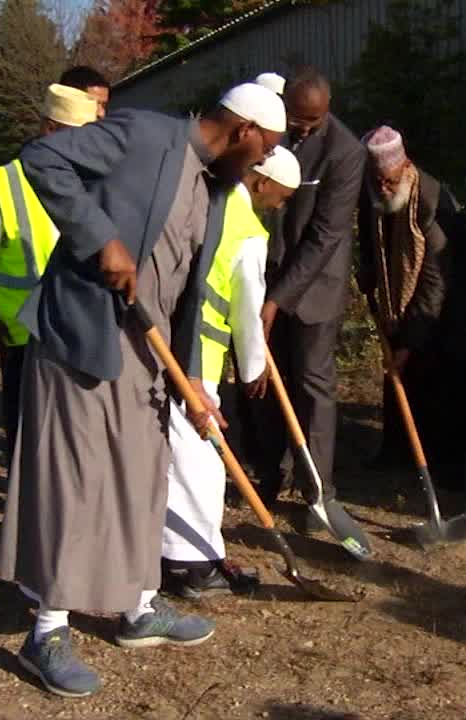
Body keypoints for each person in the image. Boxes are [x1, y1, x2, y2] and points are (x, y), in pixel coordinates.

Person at [0, 83, 285, 698]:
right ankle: (46, 631)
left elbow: (184, 290)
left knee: (141, 478)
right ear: (244, 131)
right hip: (84, 336)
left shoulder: (214, 187)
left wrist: (191, 384)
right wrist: (102, 239)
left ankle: (138, 606)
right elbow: (42, 160)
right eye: (265, 151)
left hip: (147, 355)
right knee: (75, 481)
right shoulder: (145, 133)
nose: (262, 165)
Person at [160, 147, 301, 597]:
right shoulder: (248, 233)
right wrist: (254, 366)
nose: (281, 205)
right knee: (200, 460)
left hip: (167, 336)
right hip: (199, 352)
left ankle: (175, 554)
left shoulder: (209, 198)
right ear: (262, 182)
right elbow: (245, 312)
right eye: (282, 195)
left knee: (175, 453)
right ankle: (193, 565)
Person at [238, 67, 366, 534]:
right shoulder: (273, 130)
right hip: (263, 272)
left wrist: (277, 301)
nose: (304, 130)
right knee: (265, 379)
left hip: (314, 287)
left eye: (313, 122)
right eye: (298, 121)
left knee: (312, 385)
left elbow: (325, 235)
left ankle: (318, 491)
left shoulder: (345, 152)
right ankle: (270, 472)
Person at [0, 84, 100, 462]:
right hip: (22, 334)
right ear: (51, 130)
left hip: (79, 331)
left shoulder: (95, 180)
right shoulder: (7, 183)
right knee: (27, 437)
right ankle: (27, 515)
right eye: (80, 136)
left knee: (74, 438)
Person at [357, 126, 466, 488]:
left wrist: (411, 342)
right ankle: (396, 450)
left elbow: (435, 281)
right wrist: (368, 272)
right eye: (377, 180)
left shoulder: (430, 200)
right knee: (396, 372)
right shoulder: (371, 192)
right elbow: (369, 239)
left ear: (405, 166)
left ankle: (444, 464)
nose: (383, 188)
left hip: (447, 298)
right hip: (395, 297)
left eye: (389, 181)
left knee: (438, 376)